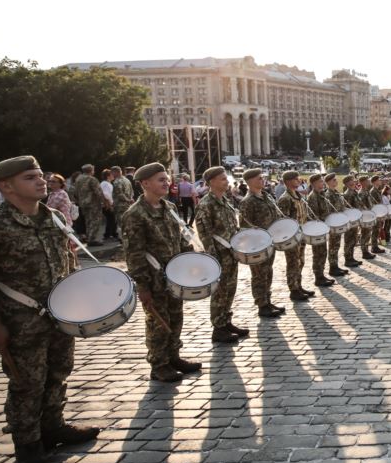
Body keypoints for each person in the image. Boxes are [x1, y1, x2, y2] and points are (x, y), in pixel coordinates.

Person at [0, 156, 99, 463]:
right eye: (30, 177)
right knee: (26, 383)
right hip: (20, 322)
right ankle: (28, 442)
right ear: (6, 186)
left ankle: (54, 426)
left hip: (60, 315)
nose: (41, 181)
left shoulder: (54, 218)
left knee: (59, 372)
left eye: (40, 175)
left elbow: (67, 263)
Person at [122, 162, 200, 383]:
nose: (166, 183)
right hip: (154, 280)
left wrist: (191, 260)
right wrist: (142, 285)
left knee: (176, 317)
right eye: (161, 180)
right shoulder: (135, 214)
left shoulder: (170, 208)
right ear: (145, 183)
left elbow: (181, 239)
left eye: (167, 179)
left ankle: (173, 356)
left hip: (175, 276)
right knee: (158, 322)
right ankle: (159, 364)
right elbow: (134, 253)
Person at [194, 166, 250, 342]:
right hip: (219, 255)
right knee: (219, 292)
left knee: (230, 290)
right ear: (211, 182)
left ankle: (226, 321)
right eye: (222, 179)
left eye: (226, 178)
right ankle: (218, 328)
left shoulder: (225, 201)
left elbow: (232, 226)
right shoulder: (206, 204)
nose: (227, 181)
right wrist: (213, 258)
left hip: (231, 253)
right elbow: (205, 233)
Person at [238, 168, 286, 317]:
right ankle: (261, 304)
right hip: (257, 245)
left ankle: (267, 300)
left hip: (270, 242)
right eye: (259, 178)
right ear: (250, 181)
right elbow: (245, 226)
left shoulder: (267, 196)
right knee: (259, 275)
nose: (262, 180)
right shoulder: (248, 201)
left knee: (268, 272)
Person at [276, 170, 316, 301]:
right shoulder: (285, 199)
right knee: (293, 263)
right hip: (292, 237)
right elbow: (283, 220)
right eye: (296, 179)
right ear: (288, 181)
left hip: (301, 235)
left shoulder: (297, 195)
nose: (299, 181)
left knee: (300, 261)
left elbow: (304, 214)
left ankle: (298, 285)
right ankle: (293, 289)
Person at [305, 174, 337, 288]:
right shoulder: (313, 197)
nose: (322, 183)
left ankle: (321, 275)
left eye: (322, 181)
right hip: (318, 230)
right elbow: (314, 216)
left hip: (324, 228)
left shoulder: (321, 195)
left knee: (323, 253)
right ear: (313, 183)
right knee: (318, 254)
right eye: (320, 182)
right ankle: (318, 277)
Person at [74, 164, 108, 246]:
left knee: (88, 220)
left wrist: (78, 201)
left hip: (83, 203)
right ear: (91, 170)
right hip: (93, 203)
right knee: (95, 221)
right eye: (93, 170)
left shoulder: (78, 179)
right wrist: (105, 202)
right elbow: (98, 192)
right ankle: (92, 239)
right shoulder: (92, 179)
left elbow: (75, 192)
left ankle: (89, 237)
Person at [339, 175, 363, 268]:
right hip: (350, 221)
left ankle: (351, 257)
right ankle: (348, 259)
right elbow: (348, 209)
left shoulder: (354, 192)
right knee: (349, 240)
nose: (354, 182)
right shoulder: (348, 194)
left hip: (355, 220)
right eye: (352, 181)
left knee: (353, 240)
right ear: (348, 183)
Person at [110, 165, 134, 241]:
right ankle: (129, 236)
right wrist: (130, 199)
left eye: (112, 172)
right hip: (128, 205)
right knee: (128, 221)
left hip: (120, 205)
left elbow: (119, 194)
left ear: (116, 172)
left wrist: (127, 200)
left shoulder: (117, 182)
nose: (112, 174)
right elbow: (131, 191)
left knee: (121, 222)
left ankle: (123, 238)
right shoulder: (126, 180)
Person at [367, 175, 387, 254]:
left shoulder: (377, 190)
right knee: (375, 231)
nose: (380, 181)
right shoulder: (373, 191)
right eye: (379, 180)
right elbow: (373, 204)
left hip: (379, 213)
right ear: (375, 181)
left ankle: (375, 246)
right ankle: (374, 247)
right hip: (375, 214)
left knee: (377, 230)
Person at [100, 169, 117, 240]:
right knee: (111, 219)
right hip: (108, 204)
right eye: (112, 175)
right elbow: (106, 195)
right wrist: (110, 203)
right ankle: (109, 234)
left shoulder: (103, 183)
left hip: (105, 204)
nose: (113, 176)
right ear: (108, 176)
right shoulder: (107, 184)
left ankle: (112, 233)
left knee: (111, 219)